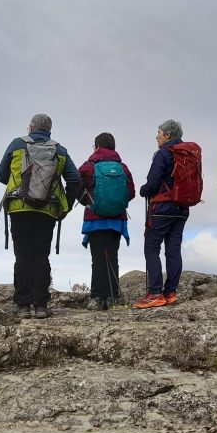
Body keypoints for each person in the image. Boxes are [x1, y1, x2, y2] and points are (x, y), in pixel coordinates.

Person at [0, 113, 80, 319]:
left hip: (19, 207)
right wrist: (66, 206)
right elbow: (75, 180)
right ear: (49, 129)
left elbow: (1, 175)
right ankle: (41, 305)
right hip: (47, 210)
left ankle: (23, 306)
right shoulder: (59, 150)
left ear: (31, 127)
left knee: (23, 255)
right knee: (41, 255)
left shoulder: (17, 144)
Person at [136, 119, 196, 309]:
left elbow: (153, 182)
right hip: (182, 208)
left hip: (162, 207)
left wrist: (144, 190)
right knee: (173, 249)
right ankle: (170, 293)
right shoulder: (187, 154)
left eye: (159, 133)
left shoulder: (163, 153)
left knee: (151, 248)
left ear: (168, 135)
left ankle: (155, 293)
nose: (157, 136)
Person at [77, 132, 135, 310]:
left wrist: (89, 203)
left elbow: (76, 187)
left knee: (97, 258)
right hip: (117, 220)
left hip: (95, 220)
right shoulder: (122, 168)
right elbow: (131, 192)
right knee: (112, 256)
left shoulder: (88, 166)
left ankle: (97, 298)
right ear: (113, 147)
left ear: (96, 146)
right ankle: (112, 297)